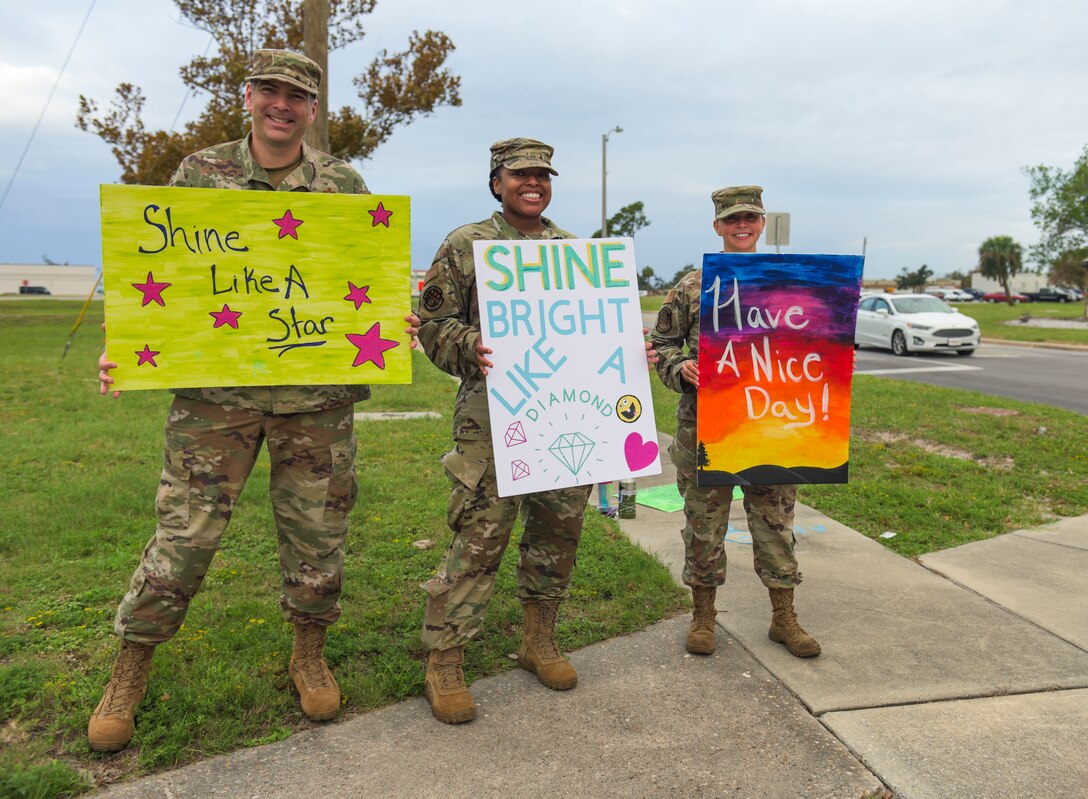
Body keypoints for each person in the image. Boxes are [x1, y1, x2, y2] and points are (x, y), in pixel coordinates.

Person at [89, 49, 372, 752]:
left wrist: (389, 322)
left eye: (298, 96)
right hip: (218, 397)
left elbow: (363, 280)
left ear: (312, 109)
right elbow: (161, 271)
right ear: (247, 97)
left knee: (318, 535)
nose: (284, 104)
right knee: (184, 535)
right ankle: (131, 666)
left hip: (316, 395)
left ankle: (308, 652)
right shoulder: (199, 173)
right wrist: (124, 342)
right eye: (271, 91)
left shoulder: (342, 183)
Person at [412, 138, 591, 724]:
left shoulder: (572, 251)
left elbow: (594, 331)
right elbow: (434, 325)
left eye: (543, 174)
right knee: (480, 536)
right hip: (490, 420)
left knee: (557, 531)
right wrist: (471, 345)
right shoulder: (467, 245)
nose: (533, 183)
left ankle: (538, 640)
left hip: (564, 413)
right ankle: (445, 659)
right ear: (497, 182)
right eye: (521, 175)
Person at [650, 185, 821, 659]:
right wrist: (679, 368)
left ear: (763, 223)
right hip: (708, 430)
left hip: (772, 427)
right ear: (717, 226)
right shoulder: (692, 285)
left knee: (776, 525)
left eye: (750, 217)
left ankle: (784, 617)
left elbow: (816, 342)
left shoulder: (790, 283)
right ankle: (704, 616)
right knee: (704, 526)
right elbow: (661, 344)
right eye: (731, 219)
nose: (741, 225)